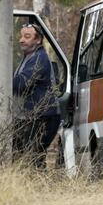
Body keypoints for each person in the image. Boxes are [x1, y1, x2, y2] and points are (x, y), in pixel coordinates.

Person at [13, 23, 61, 169]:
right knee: (22, 153)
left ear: (38, 40)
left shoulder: (39, 58)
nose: (22, 40)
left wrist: (0, 75)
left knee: (34, 156)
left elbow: (21, 84)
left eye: (27, 36)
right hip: (33, 115)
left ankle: (39, 188)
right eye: (21, 36)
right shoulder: (29, 57)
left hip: (43, 116)